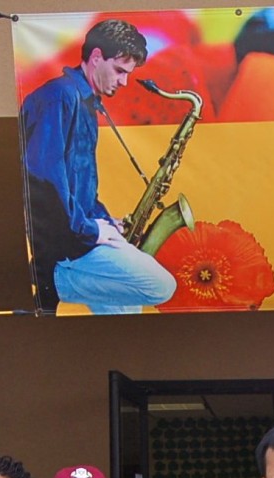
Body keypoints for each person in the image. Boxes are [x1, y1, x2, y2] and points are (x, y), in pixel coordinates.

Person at [20, 19, 177, 315]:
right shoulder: (58, 98)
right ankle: (51, 283)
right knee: (161, 286)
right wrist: (90, 230)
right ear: (95, 58)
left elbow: (80, 187)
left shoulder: (85, 104)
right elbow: (44, 181)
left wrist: (105, 221)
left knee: (128, 313)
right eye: (119, 70)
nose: (124, 82)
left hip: (79, 237)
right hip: (64, 251)